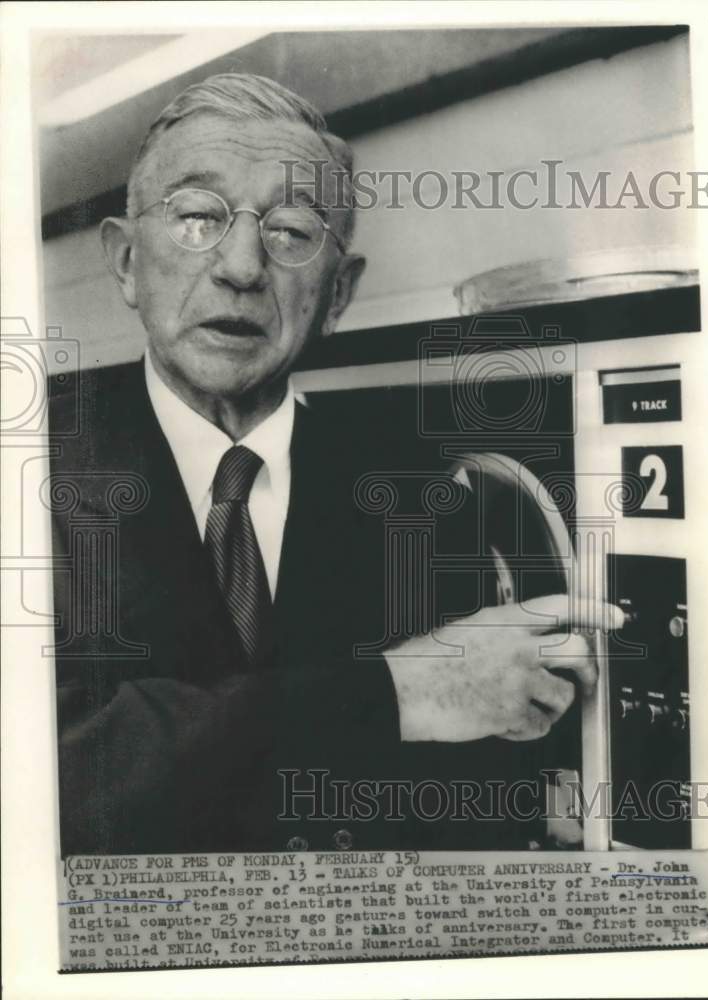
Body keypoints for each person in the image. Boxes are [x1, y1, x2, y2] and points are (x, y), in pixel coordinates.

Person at [48, 73, 621, 856]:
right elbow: (52, 769)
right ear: (123, 263)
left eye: (291, 230)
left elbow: (468, 807)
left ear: (339, 294)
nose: (242, 266)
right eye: (196, 218)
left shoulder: (424, 504)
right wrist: (393, 696)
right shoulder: (33, 472)